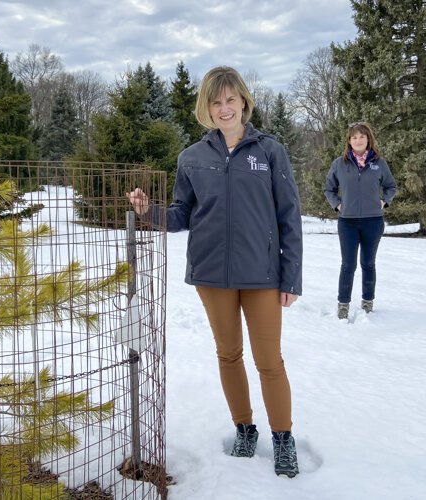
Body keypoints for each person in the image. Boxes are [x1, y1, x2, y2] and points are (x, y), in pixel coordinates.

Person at [127, 66, 303, 478]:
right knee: (228, 354)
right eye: (216, 102)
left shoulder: (269, 152)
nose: (224, 109)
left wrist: (290, 276)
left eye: (231, 100)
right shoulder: (191, 158)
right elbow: (181, 215)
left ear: (244, 101)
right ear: (206, 107)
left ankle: (283, 439)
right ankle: (244, 429)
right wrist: (147, 212)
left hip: (262, 274)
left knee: (269, 360)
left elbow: (289, 215)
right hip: (211, 275)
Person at [324, 122, 397, 320]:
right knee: (348, 265)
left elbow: (391, 186)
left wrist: (384, 201)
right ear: (349, 141)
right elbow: (329, 189)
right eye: (354, 137)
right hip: (347, 222)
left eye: (362, 137)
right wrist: (338, 205)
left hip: (373, 221)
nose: (358, 140)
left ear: (368, 139)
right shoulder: (340, 163)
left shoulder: (379, 163)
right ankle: (343, 304)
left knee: (368, 263)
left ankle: (367, 301)